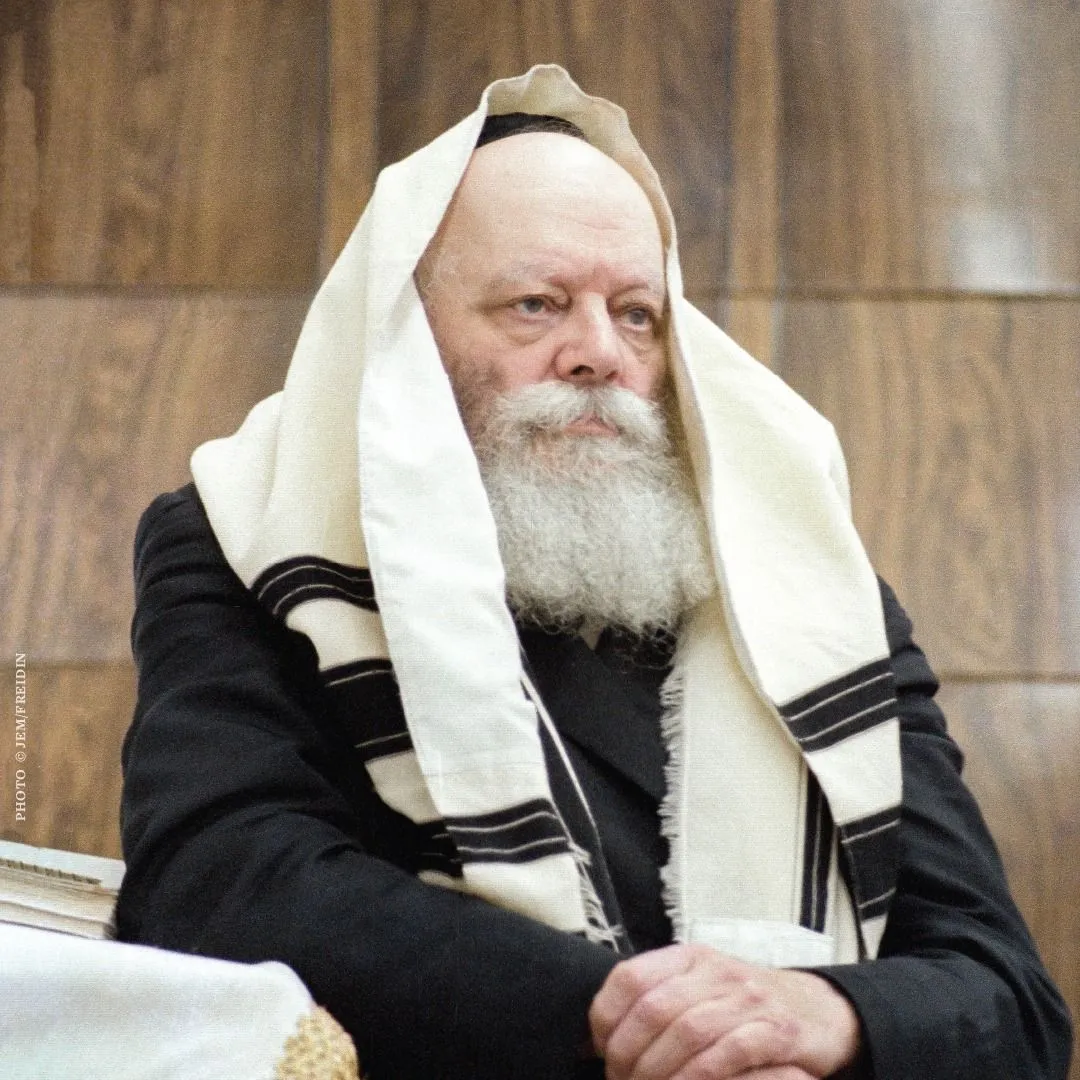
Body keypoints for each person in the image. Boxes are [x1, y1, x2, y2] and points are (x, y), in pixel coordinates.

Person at [116, 66, 1072, 1080]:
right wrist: (650, 1025)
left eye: (637, 314)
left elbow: (1008, 1001)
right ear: (405, 335)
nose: (598, 353)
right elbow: (218, 884)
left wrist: (821, 1014)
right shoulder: (251, 534)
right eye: (536, 305)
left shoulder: (810, 601)